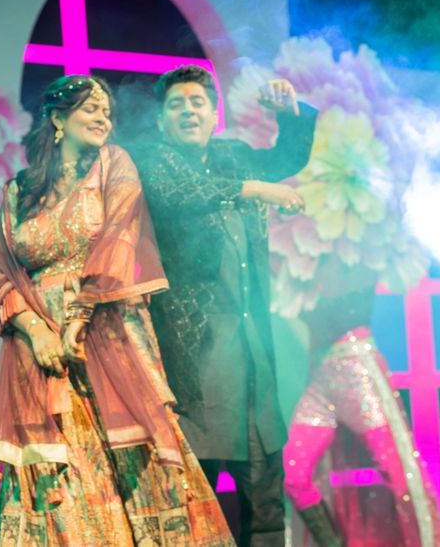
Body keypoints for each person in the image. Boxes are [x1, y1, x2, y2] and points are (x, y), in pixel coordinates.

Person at [0, 75, 234, 546]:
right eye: (90, 108)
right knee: (61, 480)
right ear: (57, 119)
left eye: (107, 111)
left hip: (106, 336)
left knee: (136, 467)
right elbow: (0, 271)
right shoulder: (19, 191)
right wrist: (37, 331)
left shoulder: (114, 165)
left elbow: (120, 238)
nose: (103, 118)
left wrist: (78, 317)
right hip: (40, 356)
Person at [129, 65, 317, 546]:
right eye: (176, 105)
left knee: (266, 496)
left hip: (251, 347)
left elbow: (289, 156)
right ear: (161, 120)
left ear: (214, 115)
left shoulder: (233, 155)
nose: (188, 111)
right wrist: (254, 189)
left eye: (197, 102)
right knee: (199, 503)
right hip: (197, 352)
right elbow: (177, 195)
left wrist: (289, 112)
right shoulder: (153, 160)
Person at [284, 276, 440, 547]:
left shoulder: (354, 257)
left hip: (357, 371)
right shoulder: (293, 260)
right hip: (320, 376)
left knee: (401, 477)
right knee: (293, 474)